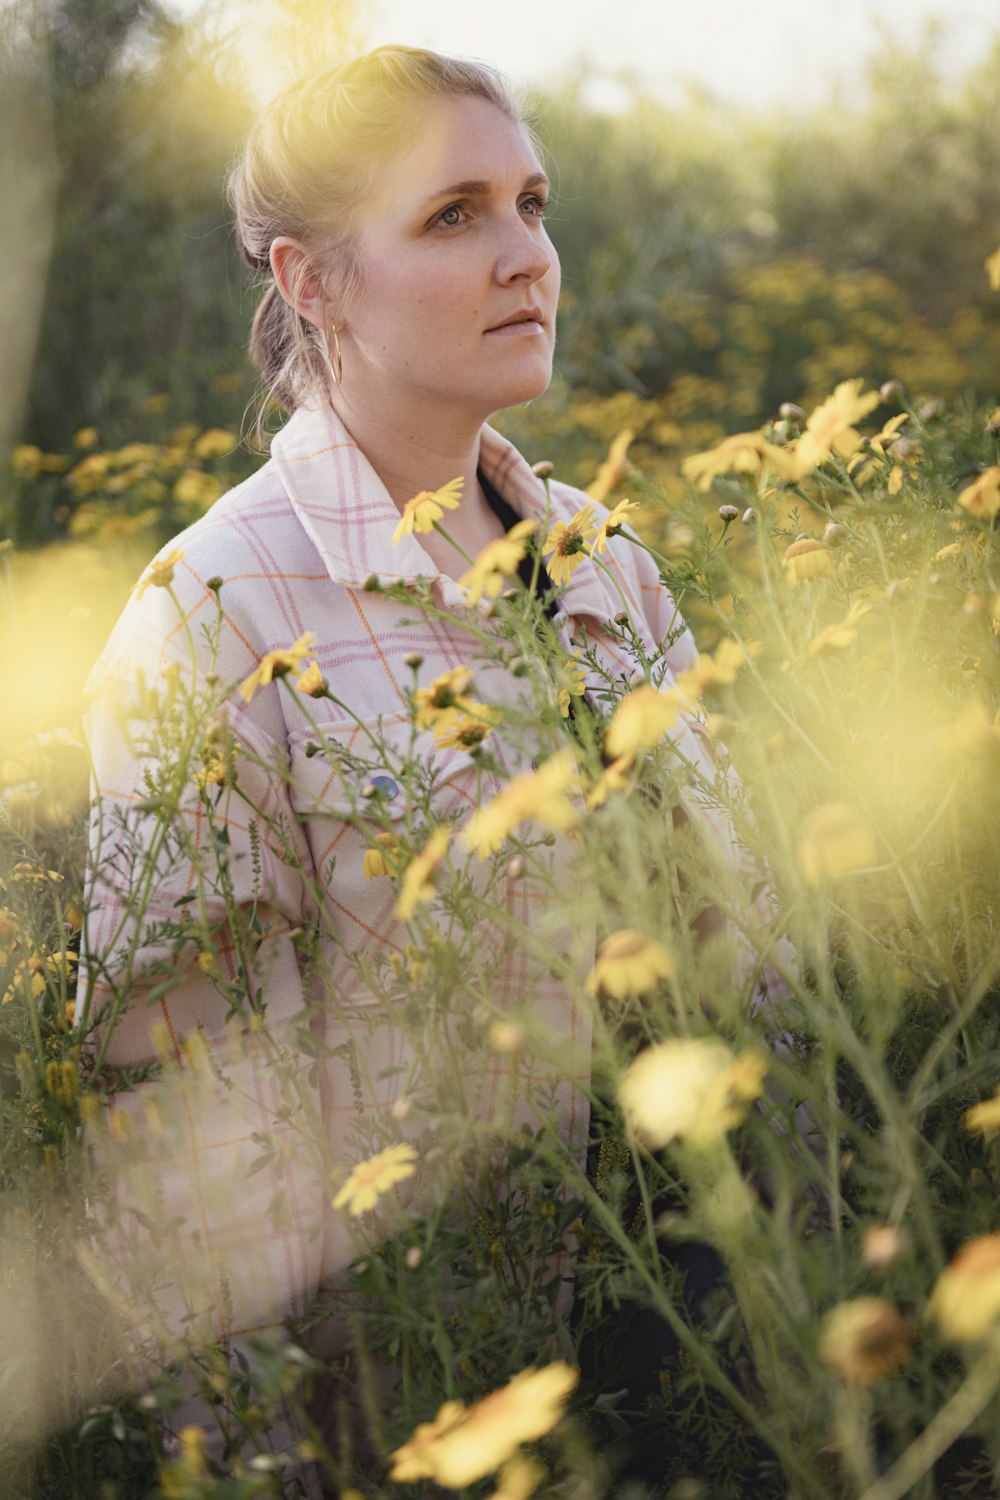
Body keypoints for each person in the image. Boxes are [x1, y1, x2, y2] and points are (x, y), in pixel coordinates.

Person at [81, 45, 785, 1492]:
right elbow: (186, 1105)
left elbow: (752, 946)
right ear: (312, 281)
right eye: (453, 215)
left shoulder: (602, 555)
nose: (527, 256)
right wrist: (260, 1456)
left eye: (532, 204)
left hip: (712, 1360)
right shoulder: (219, 607)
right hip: (433, 1387)